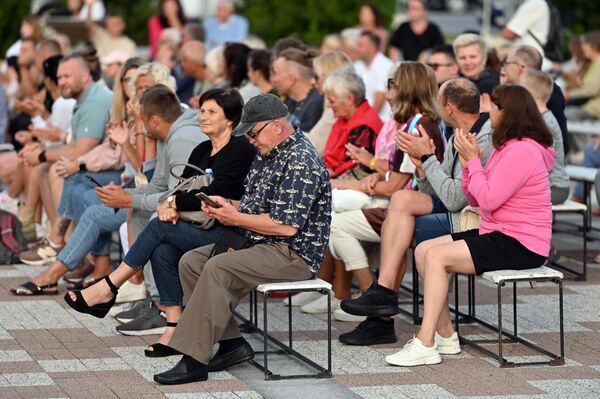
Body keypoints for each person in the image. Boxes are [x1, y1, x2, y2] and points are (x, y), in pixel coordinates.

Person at [65, 93, 331, 385]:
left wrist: (234, 217)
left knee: (217, 266)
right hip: (260, 242)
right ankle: (231, 345)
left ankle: (193, 358)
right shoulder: (270, 152)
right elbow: (257, 207)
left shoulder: (300, 160)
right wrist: (227, 205)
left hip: (291, 254)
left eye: (254, 134)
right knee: (192, 262)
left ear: (277, 127)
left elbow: (285, 227)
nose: (251, 141)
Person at [64, 88, 255, 355]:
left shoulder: (240, 150)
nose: (203, 117)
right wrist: (169, 203)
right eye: (201, 111)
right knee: (162, 249)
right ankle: (173, 328)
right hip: (202, 224)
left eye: (212, 112)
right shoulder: (201, 149)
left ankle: (108, 287)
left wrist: (173, 204)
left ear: (230, 120)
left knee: (158, 228)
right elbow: (183, 189)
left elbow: (215, 193)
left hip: (229, 231)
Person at [384, 84, 555, 366]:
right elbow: (476, 196)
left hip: (521, 243)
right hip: (499, 233)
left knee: (436, 256)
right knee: (423, 250)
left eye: (495, 108)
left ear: (507, 113)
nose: (490, 113)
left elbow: (487, 201)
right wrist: (467, 164)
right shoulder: (507, 148)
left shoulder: (522, 151)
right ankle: (446, 335)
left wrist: (473, 161)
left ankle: (425, 342)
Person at [339, 78, 493, 345]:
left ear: (449, 107)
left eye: (439, 101)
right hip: (454, 205)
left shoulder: (483, 137)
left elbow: (456, 198)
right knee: (401, 201)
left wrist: (428, 159)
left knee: (395, 228)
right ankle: (383, 295)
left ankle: (383, 305)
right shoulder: (459, 129)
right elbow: (434, 189)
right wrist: (422, 166)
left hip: (472, 217)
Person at [304, 62, 445, 320]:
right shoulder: (418, 122)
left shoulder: (417, 127)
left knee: (335, 220)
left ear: (406, 90)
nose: (388, 94)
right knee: (332, 212)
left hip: (414, 204)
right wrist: (373, 169)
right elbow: (398, 172)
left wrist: (360, 180)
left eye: (393, 86)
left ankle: (368, 293)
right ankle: (352, 292)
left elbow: (399, 184)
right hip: (407, 200)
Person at [18, 53, 112, 243]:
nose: (61, 82)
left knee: (56, 169)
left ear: (85, 77)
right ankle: (58, 239)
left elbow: (81, 150)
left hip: (113, 171)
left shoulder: (94, 102)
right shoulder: (85, 99)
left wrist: (42, 154)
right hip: (98, 164)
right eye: (59, 77)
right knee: (47, 168)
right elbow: (75, 144)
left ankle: (66, 243)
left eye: (67, 77)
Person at [499, 45, 568, 154]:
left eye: (506, 63)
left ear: (520, 67)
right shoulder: (550, 89)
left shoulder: (543, 92)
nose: (504, 67)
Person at [322, 68, 382, 178]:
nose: (328, 105)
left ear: (349, 99)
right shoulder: (345, 117)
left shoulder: (364, 127)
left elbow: (354, 169)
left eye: (332, 101)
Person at [520, 70, 569, 205]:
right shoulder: (538, 119)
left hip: (555, 188)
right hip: (546, 186)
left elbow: (542, 163)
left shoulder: (546, 123)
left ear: (527, 96)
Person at [307, 51, 353, 155]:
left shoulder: (336, 107)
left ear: (328, 77)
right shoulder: (330, 102)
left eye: (316, 76)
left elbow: (312, 147)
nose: (312, 81)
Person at [270, 48, 323, 132]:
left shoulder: (316, 103)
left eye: (275, 73)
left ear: (291, 79)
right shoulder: (289, 102)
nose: (273, 79)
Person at [354, 31, 394, 120]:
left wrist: (361, 121)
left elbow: (378, 104)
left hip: (381, 121)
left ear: (372, 47)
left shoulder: (386, 66)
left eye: (361, 45)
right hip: (361, 117)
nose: (357, 48)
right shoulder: (357, 65)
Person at [502, 0, 551, 67]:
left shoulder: (534, 3)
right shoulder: (540, 3)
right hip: (532, 56)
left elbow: (507, 34)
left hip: (527, 58)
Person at [565, 31, 600, 120]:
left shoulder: (598, 63)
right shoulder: (594, 63)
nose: (582, 47)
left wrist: (570, 95)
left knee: (564, 115)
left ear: (593, 46)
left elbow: (591, 90)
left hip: (593, 108)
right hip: (589, 106)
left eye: (585, 43)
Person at [453, 33, 499, 98]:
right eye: (462, 58)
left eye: (473, 57)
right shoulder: (457, 83)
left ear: (484, 58)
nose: (467, 62)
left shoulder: (490, 86)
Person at [178, 41, 211, 107]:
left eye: (185, 60)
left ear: (195, 63)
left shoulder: (213, 82)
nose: (182, 64)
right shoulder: (193, 80)